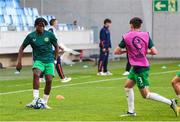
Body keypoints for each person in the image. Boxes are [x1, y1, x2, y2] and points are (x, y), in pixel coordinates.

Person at [114, 17, 178, 117]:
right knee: (127, 87)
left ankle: (171, 102)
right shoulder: (146, 35)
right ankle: (131, 112)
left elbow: (116, 51)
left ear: (131, 25)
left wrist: (127, 50)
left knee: (146, 95)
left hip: (140, 69)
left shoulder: (126, 36)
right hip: (137, 68)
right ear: (140, 26)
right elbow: (154, 52)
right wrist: (143, 51)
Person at [16, 17, 59, 109]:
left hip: (49, 60)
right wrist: (19, 62)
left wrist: (55, 59)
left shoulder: (50, 35)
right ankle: (35, 99)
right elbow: (22, 47)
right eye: (40, 26)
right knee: (36, 74)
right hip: (38, 60)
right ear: (36, 26)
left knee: (49, 80)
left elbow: (56, 46)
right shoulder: (31, 36)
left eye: (43, 26)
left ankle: (44, 102)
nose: (42, 28)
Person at [39, 18, 71, 83]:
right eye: (56, 22)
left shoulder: (51, 29)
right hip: (52, 50)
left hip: (51, 49)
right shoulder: (51, 30)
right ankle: (63, 78)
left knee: (46, 63)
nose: (57, 24)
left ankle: (40, 77)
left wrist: (60, 47)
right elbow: (51, 39)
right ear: (53, 23)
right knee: (57, 63)